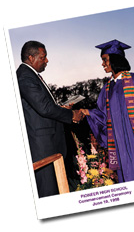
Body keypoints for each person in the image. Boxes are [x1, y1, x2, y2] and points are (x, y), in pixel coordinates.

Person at [80, 39, 134, 183]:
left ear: (115, 59)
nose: (102, 64)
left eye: (105, 60)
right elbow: (102, 114)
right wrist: (88, 112)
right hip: (118, 142)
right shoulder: (107, 87)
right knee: (125, 177)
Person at [17, 40, 83, 198]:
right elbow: (44, 107)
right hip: (42, 148)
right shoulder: (25, 76)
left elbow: (43, 106)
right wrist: (71, 115)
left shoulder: (32, 75)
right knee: (48, 191)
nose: (47, 60)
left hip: (49, 144)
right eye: (43, 57)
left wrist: (61, 108)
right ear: (31, 58)